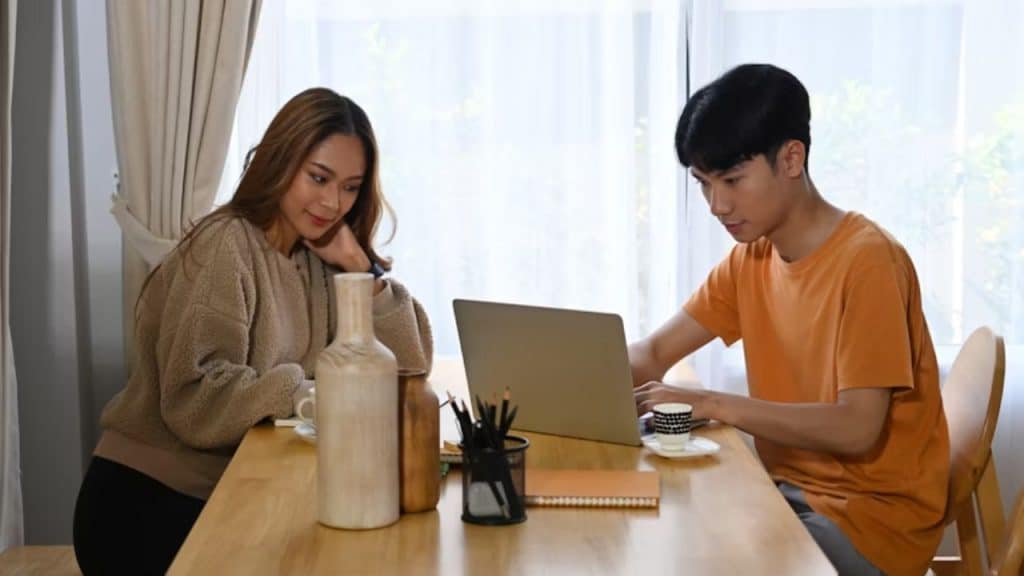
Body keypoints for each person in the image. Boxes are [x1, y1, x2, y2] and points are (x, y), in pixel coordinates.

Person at [72, 88, 433, 575]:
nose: (333, 202)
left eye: (351, 186)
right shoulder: (227, 245)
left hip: (230, 490)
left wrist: (360, 268)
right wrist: (305, 390)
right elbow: (192, 398)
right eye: (319, 178)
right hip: (148, 501)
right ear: (281, 161)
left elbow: (408, 368)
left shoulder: (318, 257)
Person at [630, 64, 948, 576]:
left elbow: (857, 429)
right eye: (704, 183)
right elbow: (652, 354)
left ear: (791, 158)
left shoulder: (868, 263)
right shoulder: (751, 259)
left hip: (871, 524)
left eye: (732, 180)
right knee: (662, 531)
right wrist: (565, 388)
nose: (717, 204)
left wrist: (711, 402)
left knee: (685, 553)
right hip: (791, 497)